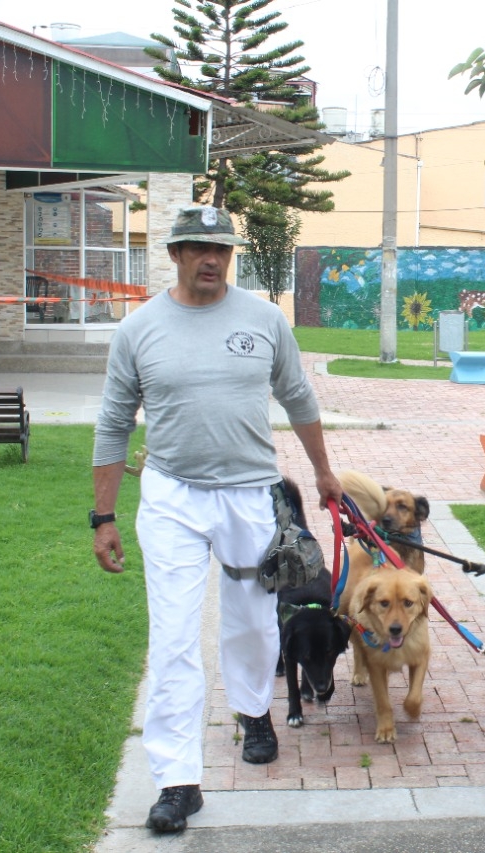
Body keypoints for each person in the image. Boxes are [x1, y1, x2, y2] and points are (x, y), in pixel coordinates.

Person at [90, 206, 343, 834]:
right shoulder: (140, 328)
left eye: (221, 250)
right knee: (173, 638)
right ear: (174, 253)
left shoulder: (263, 319)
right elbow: (114, 422)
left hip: (249, 498)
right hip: (172, 498)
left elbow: (299, 396)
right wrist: (102, 515)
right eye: (198, 248)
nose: (211, 259)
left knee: (254, 624)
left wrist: (323, 471)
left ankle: (254, 711)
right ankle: (178, 780)